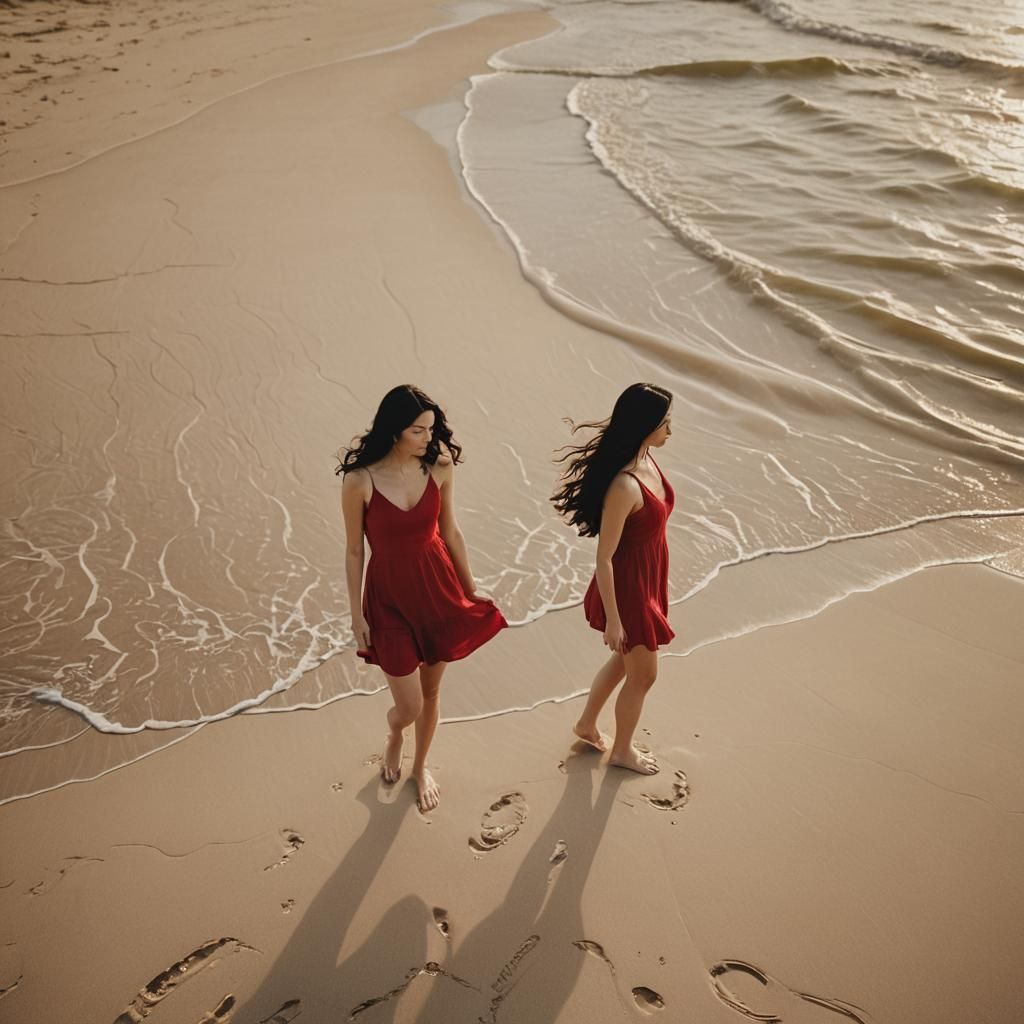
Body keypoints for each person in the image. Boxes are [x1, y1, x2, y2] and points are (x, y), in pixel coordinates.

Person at [338, 385, 507, 810]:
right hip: (389, 598)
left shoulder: (441, 468)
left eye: (431, 430)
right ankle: (396, 734)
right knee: (409, 706)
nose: (428, 439)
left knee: (431, 694)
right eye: (418, 431)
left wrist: (468, 588)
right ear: (394, 431)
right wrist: (356, 613)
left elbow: (450, 532)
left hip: (438, 589)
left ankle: (420, 766)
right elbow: (355, 549)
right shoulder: (360, 480)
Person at [552, 383, 674, 775]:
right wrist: (616, 620)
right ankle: (622, 750)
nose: (671, 430)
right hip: (629, 588)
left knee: (625, 664)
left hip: (648, 579)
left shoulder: (648, 459)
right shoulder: (624, 485)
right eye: (666, 423)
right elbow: (604, 557)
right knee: (644, 674)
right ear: (645, 425)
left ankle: (587, 725)